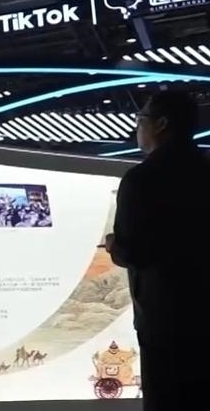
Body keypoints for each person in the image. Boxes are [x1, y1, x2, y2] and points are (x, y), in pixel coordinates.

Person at [105, 91, 208, 410]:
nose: (137, 128)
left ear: (161, 124)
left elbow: (133, 251)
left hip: (163, 319)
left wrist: (113, 245)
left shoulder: (142, 179)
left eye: (141, 120)